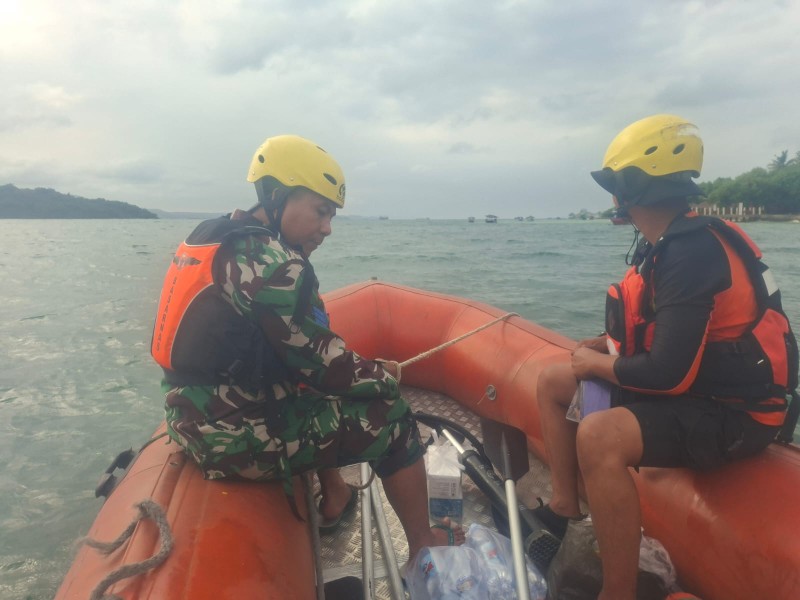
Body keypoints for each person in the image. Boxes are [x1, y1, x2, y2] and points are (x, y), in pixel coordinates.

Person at [150, 134, 464, 561]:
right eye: (320, 211)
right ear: (279, 196)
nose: (327, 227)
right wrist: (382, 377)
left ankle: (335, 495)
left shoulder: (220, 236)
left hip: (190, 413)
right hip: (229, 435)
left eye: (331, 215)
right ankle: (425, 543)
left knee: (312, 393)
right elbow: (325, 367)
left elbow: (295, 357)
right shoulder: (275, 263)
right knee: (393, 415)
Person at [533, 114, 797, 600]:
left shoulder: (690, 253)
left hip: (734, 412)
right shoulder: (669, 243)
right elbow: (671, 330)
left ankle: (617, 593)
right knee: (553, 383)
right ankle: (564, 508)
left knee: (599, 436)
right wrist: (605, 344)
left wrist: (595, 365)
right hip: (698, 389)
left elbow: (667, 374)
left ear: (630, 191)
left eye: (616, 186)